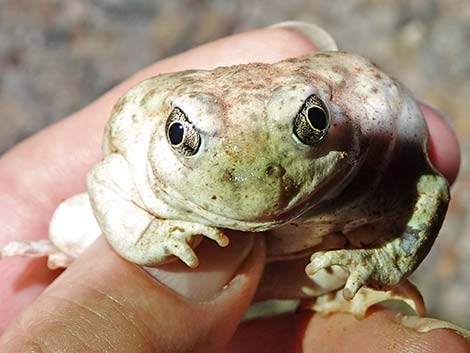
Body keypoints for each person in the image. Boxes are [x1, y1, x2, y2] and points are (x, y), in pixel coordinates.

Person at [0, 23, 467, 352]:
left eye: (310, 124)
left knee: (356, 274)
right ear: (171, 134)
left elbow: (428, 190)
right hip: (282, 251)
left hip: (309, 251)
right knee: (69, 226)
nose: (249, 180)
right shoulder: (145, 153)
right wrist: (146, 241)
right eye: (185, 137)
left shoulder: (365, 155)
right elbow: (105, 179)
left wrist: (384, 259)